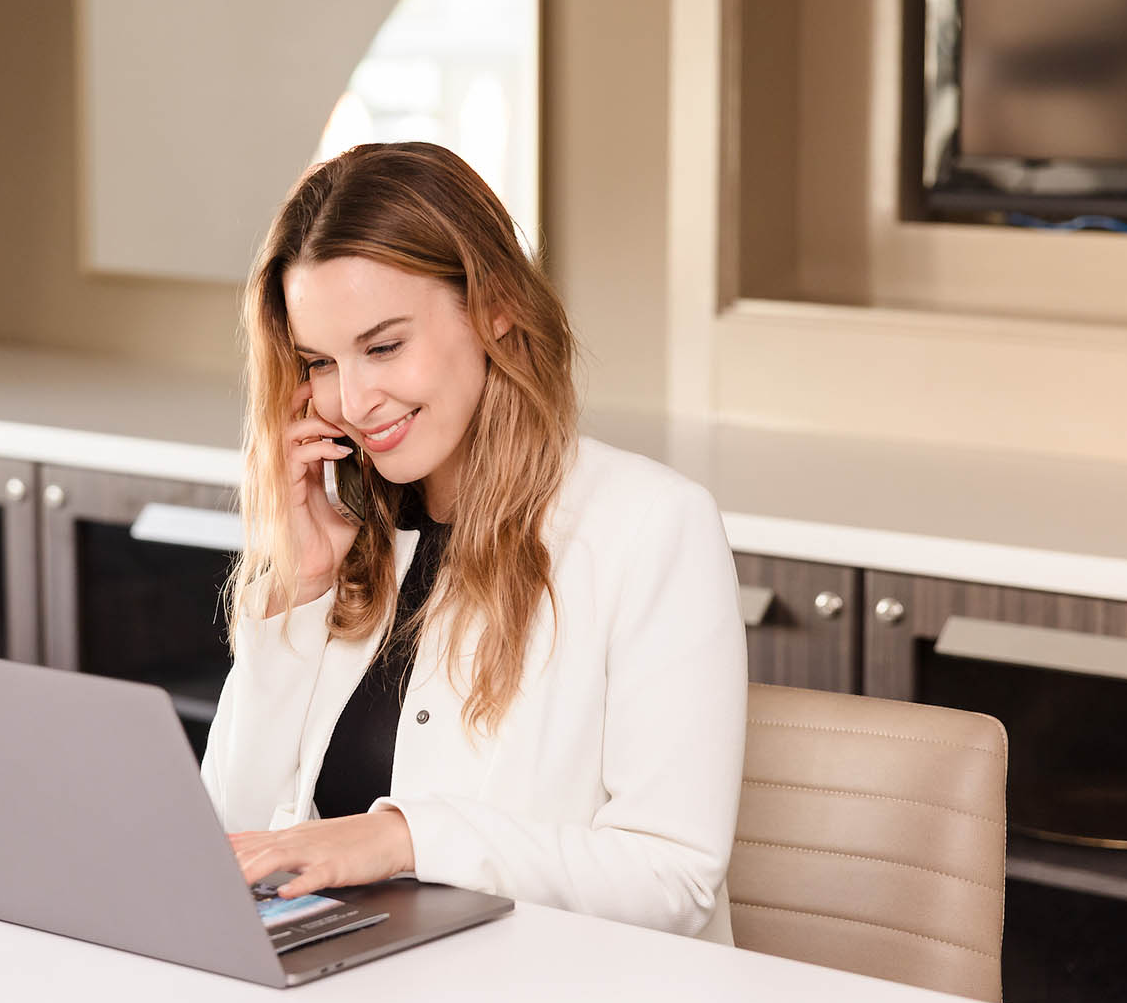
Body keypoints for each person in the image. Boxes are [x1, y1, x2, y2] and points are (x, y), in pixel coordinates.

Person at [201, 141, 747, 944]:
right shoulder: (347, 538)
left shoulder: (650, 529)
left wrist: (403, 838)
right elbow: (238, 840)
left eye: (384, 346)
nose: (351, 400)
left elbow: (674, 879)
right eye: (319, 361)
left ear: (494, 308)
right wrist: (297, 594)